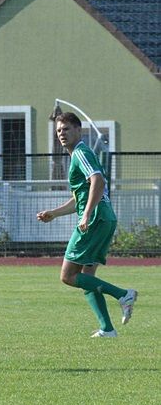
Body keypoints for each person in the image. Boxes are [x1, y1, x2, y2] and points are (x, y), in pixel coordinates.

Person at [37, 112, 137, 338]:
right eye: (58, 131)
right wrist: (54, 213)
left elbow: (98, 181)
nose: (61, 134)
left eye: (66, 129)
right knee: (87, 277)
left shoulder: (81, 152)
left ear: (78, 130)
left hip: (95, 219)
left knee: (67, 276)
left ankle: (123, 295)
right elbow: (81, 198)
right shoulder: (78, 155)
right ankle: (107, 329)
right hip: (104, 218)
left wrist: (86, 215)